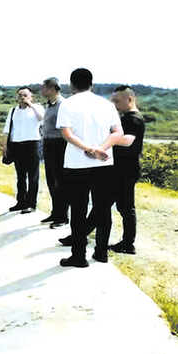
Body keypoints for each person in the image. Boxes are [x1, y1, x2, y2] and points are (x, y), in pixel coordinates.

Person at [56, 68, 123, 267]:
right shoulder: (107, 105)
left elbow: (67, 134)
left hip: (77, 164)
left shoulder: (67, 104)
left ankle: (79, 255)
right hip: (104, 162)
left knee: (78, 209)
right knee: (102, 209)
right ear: (91, 84)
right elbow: (117, 132)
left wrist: (88, 149)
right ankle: (101, 252)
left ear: (72, 84)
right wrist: (100, 149)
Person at [108, 85, 145, 254]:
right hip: (121, 169)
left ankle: (128, 244)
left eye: (116, 101)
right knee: (119, 206)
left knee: (123, 207)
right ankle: (127, 243)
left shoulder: (133, 119)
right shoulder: (127, 118)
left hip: (126, 170)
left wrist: (105, 139)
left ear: (129, 100)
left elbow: (126, 141)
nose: (113, 104)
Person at [1, 87, 45, 214]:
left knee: (33, 176)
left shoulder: (37, 109)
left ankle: (31, 203)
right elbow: (7, 129)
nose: (22, 97)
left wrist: (31, 105)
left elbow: (42, 118)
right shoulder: (13, 111)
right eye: (20, 95)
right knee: (20, 176)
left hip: (32, 144)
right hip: (17, 145)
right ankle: (21, 201)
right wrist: (4, 146)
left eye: (25, 95)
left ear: (31, 96)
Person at [40, 77, 69, 228]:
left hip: (59, 143)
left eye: (44, 87)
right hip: (48, 143)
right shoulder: (49, 104)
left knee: (60, 180)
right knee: (51, 179)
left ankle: (63, 216)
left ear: (52, 88)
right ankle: (55, 211)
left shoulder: (63, 104)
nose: (42, 90)